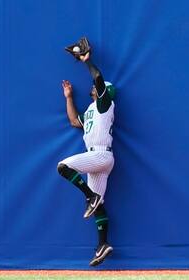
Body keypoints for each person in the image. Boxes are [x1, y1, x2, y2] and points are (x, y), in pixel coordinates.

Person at [57, 50, 116, 266]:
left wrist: (86, 60)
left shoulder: (104, 104)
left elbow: (98, 78)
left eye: (98, 89)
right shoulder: (92, 110)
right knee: (99, 206)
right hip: (97, 159)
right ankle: (103, 245)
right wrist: (69, 98)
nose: (93, 89)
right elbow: (74, 121)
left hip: (100, 153)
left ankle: (90, 196)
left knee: (63, 166)